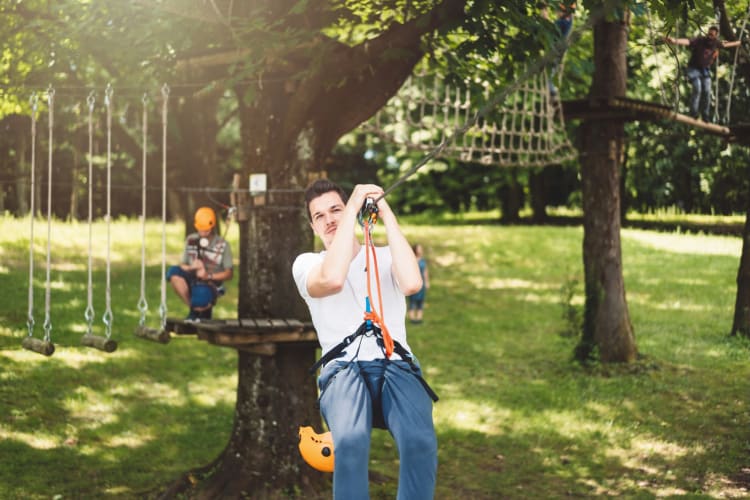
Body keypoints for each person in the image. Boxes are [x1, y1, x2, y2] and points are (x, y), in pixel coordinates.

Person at [292, 179, 438, 499]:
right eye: (320, 216)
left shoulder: (387, 257)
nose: (330, 219)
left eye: (336, 210)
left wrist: (384, 212)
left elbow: (413, 284)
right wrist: (352, 208)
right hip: (343, 369)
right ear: (312, 225)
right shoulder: (308, 265)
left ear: (352, 214)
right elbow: (332, 279)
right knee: (350, 444)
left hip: (396, 363)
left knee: (420, 442)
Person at [166, 206, 233, 321]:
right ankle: (195, 309)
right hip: (192, 277)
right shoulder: (191, 239)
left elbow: (229, 274)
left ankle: (202, 306)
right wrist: (192, 267)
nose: (202, 233)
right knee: (173, 272)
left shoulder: (223, 245)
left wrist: (208, 276)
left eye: (206, 230)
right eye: (200, 229)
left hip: (210, 282)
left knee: (201, 295)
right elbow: (183, 265)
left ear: (212, 227)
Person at [665, 26, 741, 122]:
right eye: (709, 34)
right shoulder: (700, 40)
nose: (710, 36)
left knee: (707, 92)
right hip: (693, 68)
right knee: (697, 88)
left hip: (705, 70)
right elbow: (688, 41)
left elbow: (726, 45)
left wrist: (738, 43)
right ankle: (694, 113)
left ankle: (705, 115)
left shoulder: (716, 43)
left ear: (716, 36)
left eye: (712, 35)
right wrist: (674, 40)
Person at [407, 243, 430, 324]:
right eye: (419, 248)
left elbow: (425, 272)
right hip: (413, 282)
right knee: (412, 300)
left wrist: (427, 282)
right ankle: (412, 318)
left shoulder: (423, 260)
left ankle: (419, 318)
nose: (421, 250)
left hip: (421, 283)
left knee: (420, 300)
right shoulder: (411, 259)